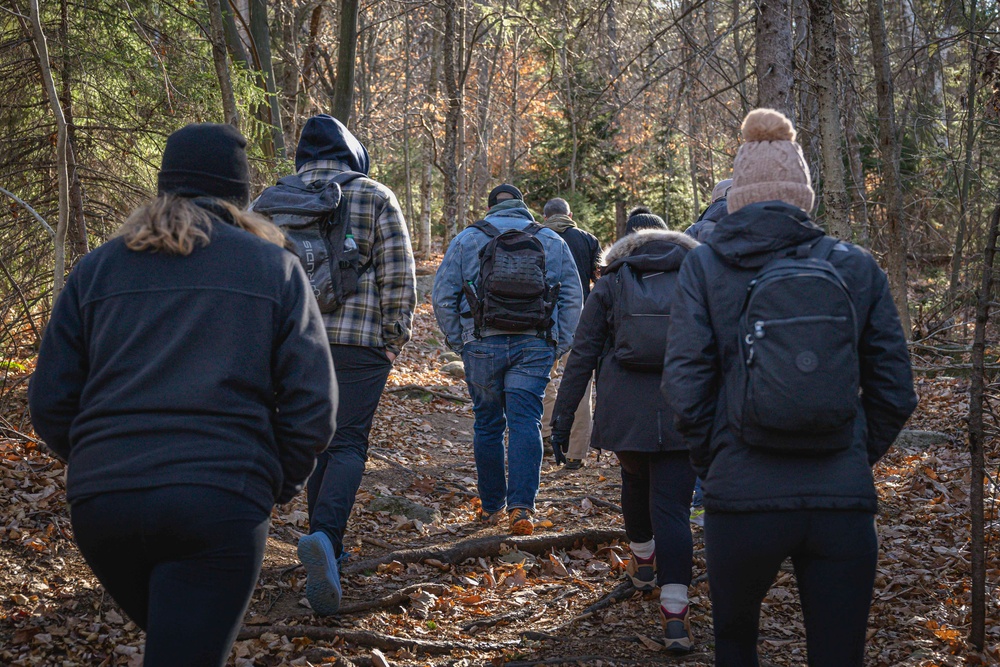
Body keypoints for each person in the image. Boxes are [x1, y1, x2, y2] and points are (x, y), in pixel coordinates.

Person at [28, 123, 337, 667]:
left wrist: (104, 463)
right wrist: (270, 482)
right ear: (240, 195)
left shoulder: (97, 269)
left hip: (104, 508)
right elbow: (314, 406)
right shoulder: (275, 268)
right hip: (219, 501)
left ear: (164, 186)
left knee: (178, 643)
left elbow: (51, 400)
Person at [664, 108, 917, 667]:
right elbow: (895, 389)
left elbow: (684, 384)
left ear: (738, 192)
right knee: (838, 652)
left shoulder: (704, 267)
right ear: (804, 194)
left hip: (740, 499)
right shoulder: (856, 266)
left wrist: (718, 461)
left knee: (734, 643)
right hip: (840, 502)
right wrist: (851, 452)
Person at [267, 114, 416, 616]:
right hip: (358, 342)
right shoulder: (374, 195)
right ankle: (327, 539)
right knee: (348, 439)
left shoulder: (271, 199)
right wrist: (394, 339)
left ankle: (322, 542)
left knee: (313, 438)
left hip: (291, 342)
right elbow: (398, 271)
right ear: (352, 152)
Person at [550, 225, 700, 653]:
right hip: (684, 410)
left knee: (635, 482)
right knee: (673, 507)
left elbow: (582, 352)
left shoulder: (613, 281)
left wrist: (562, 419)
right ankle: (675, 615)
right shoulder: (699, 278)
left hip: (625, 412)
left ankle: (644, 563)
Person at [432, 184, 582, 536]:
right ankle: (522, 509)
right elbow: (573, 299)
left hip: (482, 342)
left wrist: (461, 340)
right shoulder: (552, 240)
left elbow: (442, 296)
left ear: (490, 208)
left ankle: (491, 507)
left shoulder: (468, 238)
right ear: (523, 207)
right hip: (535, 343)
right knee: (526, 421)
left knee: (487, 424)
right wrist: (558, 344)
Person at [538, 197, 601, 470]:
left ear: (545, 216)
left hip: (544, 320)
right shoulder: (588, 240)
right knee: (582, 384)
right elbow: (599, 280)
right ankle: (576, 452)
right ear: (570, 214)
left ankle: (547, 435)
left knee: (543, 378)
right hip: (582, 320)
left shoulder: (538, 237)